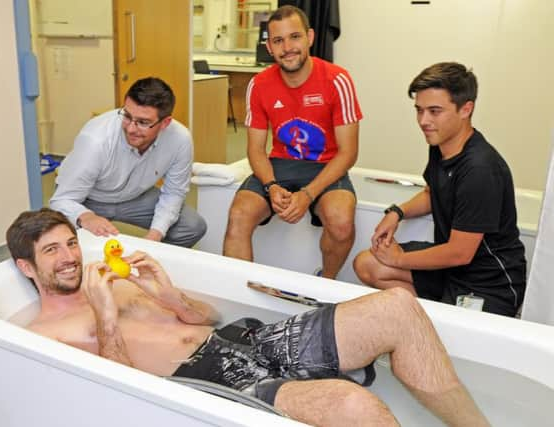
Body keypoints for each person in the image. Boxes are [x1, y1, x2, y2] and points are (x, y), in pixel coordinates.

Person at [6, 208, 490, 427]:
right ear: (28, 268)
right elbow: (115, 394)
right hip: (208, 380)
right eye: (52, 251)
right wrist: (106, 316)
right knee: (353, 406)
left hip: (245, 340)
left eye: (71, 242)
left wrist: (171, 296)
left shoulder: (117, 280)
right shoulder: (45, 334)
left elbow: (210, 316)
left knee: (397, 307)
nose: (70, 256)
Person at [353, 62, 526, 317]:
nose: (424, 121)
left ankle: (433, 324)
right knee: (367, 263)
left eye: (435, 111)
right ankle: (427, 320)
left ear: (466, 109)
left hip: (488, 282)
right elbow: (432, 193)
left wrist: (399, 259)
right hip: (451, 269)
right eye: (419, 110)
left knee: (451, 340)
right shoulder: (441, 143)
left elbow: (460, 252)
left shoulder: (480, 170)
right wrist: (396, 212)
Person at [222, 6, 361, 279]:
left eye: (294, 37)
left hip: (325, 165)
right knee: (238, 215)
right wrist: (271, 186)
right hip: (280, 165)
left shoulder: (337, 79)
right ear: (269, 47)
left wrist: (308, 194)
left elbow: (348, 153)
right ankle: (238, 292)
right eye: (278, 41)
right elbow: (255, 149)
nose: (288, 47)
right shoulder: (259, 84)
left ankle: (325, 283)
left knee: (342, 222)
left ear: (309, 37)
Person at [50, 77, 206, 248]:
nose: (131, 128)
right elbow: (62, 200)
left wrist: (155, 236)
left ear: (165, 123)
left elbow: (174, 192)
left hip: (136, 197)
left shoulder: (180, 140)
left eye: (143, 122)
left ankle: (152, 265)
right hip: (89, 198)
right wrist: (86, 217)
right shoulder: (95, 139)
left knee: (192, 226)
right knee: (60, 241)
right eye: (127, 116)